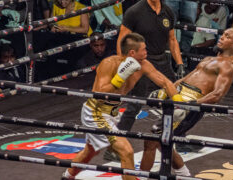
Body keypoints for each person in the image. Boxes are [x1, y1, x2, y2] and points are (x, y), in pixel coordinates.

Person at [61, 33, 184, 180]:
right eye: (144, 50)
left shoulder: (144, 65)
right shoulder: (109, 63)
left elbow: (165, 82)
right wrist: (119, 79)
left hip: (111, 114)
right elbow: (99, 92)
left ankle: (67, 176)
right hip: (96, 111)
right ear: (132, 52)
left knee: (90, 151)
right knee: (126, 151)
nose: (146, 52)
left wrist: (179, 101)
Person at [139, 28, 233, 177]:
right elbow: (185, 79)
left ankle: (139, 177)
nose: (222, 37)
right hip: (179, 96)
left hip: (191, 102)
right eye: (223, 34)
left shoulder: (228, 65)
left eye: (227, 36)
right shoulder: (209, 59)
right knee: (163, 142)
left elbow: (217, 94)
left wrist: (191, 104)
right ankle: (184, 174)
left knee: (151, 141)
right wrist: (167, 91)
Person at [115, 0, 185, 137]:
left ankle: (175, 135)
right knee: (135, 104)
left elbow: (172, 39)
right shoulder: (135, 11)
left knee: (175, 98)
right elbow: (121, 39)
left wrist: (180, 63)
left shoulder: (168, 11)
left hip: (162, 60)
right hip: (141, 63)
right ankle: (118, 141)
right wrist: (124, 64)